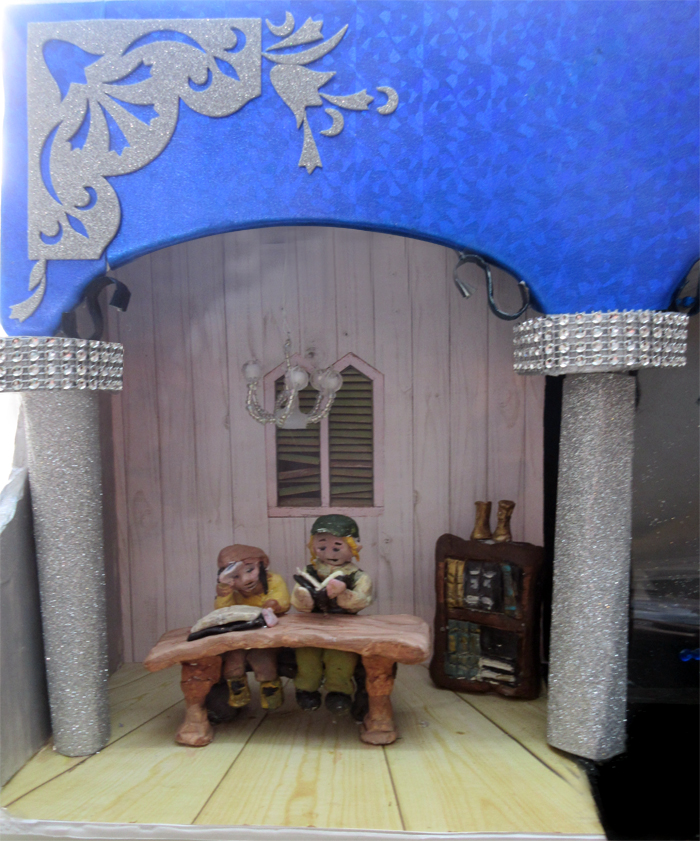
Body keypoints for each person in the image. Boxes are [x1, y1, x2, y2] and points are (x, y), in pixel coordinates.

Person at [291, 515, 373, 715]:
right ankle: (306, 688)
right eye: (322, 547)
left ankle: (338, 691)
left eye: (337, 548)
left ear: (354, 547)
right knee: (307, 654)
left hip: (344, 625)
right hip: (312, 623)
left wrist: (343, 594)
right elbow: (296, 601)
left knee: (341, 656)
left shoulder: (358, 576)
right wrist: (303, 598)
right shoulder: (310, 571)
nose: (329, 553)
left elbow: (362, 600)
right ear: (312, 547)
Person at [214, 544, 290, 710]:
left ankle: (271, 694)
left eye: (250, 570)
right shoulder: (231, 590)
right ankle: (238, 692)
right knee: (233, 663)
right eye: (236, 576)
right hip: (240, 636)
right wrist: (225, 590)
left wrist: (272, 606)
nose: (246, 580)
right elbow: (222, 612)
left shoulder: (273, 580)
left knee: (262, 660)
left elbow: (283, 601)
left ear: (261, 563)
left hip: (268, 635)